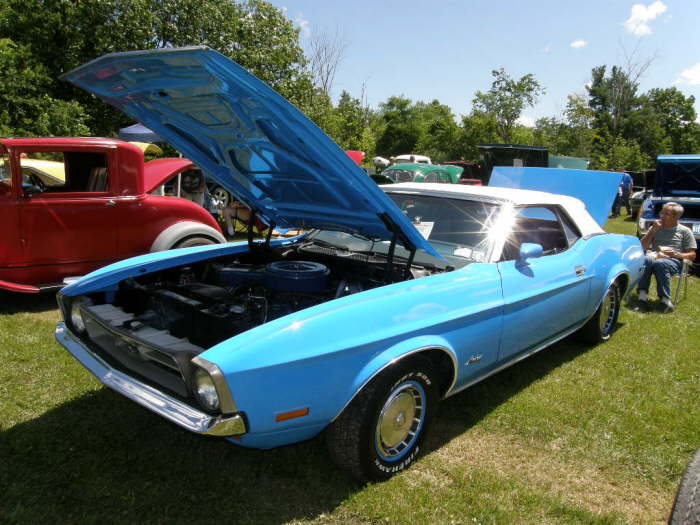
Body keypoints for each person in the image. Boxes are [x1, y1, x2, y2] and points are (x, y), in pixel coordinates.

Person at [635, 202, 696, 313]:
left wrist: (676, 254)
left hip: (674, 261)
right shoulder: (656, 227)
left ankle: (665, 301)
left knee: (661, 263)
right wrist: (652, 231)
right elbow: (642, 246)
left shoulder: (684, 231)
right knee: (646, 259)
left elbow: (692, 255)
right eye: (661, 212)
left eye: (666, 214)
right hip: (654, 256)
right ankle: (642, 298)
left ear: (676, 217)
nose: (662, 216)